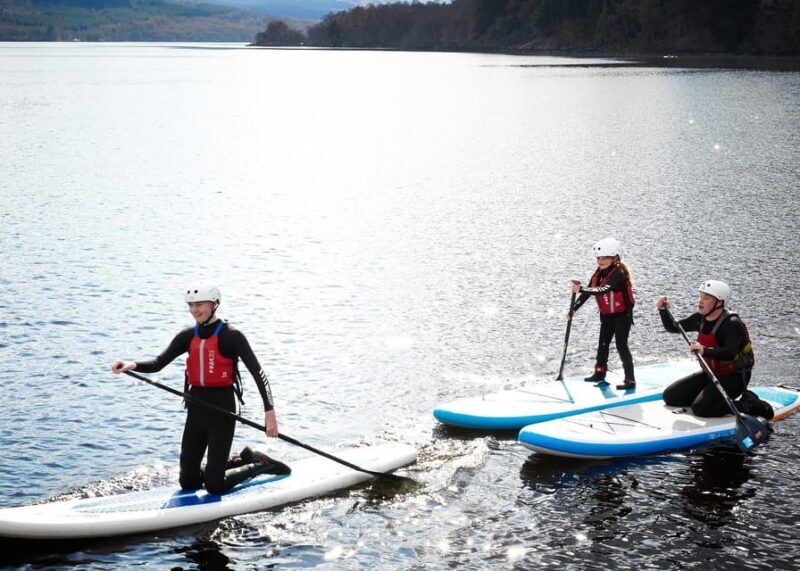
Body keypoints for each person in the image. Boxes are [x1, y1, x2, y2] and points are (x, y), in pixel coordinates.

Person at [112, 284, 290, 495]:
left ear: (215, 304)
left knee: (214, 486)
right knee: (188, 481)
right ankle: (237, 461)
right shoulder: (187, 336)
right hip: (196, 408)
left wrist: (270, 412)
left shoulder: (232, 336)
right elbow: (159, 362)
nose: (195, 310)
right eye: (191, 305)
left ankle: (260, 464)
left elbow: (258, 373)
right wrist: (132, 365)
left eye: (200, 305)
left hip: (222, 410)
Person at [656, 280, 773, 419]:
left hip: (735, 378)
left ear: (719, 302)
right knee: (671, 397)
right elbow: (674, 327)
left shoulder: (731, 323)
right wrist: (662, 310)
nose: (700, 301)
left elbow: (729, 354)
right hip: (712, 373)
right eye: (700, 296)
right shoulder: (700, 318)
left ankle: (750, 404)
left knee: (701, 408)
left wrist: (704, 350)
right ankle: (710, 398)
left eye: (706, 298)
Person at [570, 237, 636, 390]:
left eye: (605, 258)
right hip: (607, 315)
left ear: (615, 258)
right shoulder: (598, 273)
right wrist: (574, 309)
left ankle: (630, 379)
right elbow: (588, 292)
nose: (600, 261)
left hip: (622, 316)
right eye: (598, 258)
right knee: (603, 345)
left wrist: (580, 289)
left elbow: (603, 290)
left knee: (621, 345)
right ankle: (600, 373)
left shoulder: (618, 274)